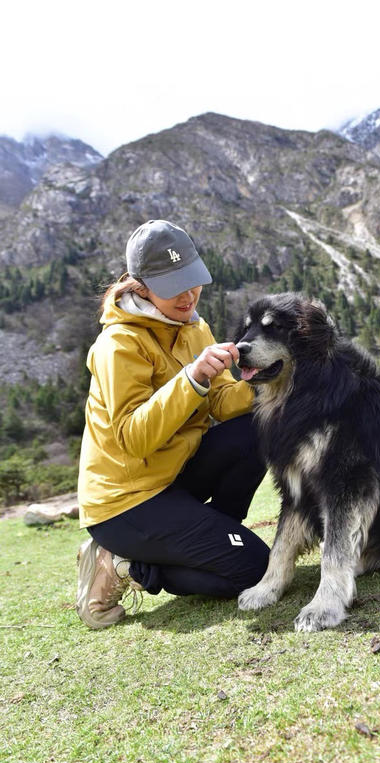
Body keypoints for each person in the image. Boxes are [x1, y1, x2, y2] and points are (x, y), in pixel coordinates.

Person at [76, 219, 270, 629]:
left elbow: (220, 399)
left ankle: (213, 536)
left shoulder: (194, 327)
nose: (188, 295)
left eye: (193, 280)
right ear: (141, 287)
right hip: (127, 501)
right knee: (255, 569)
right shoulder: (118, 345)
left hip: (175, 475)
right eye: (173, 285)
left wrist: (266, 384)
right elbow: (134, 439)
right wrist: (192, 379)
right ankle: (129, 565)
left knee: (257, 428)